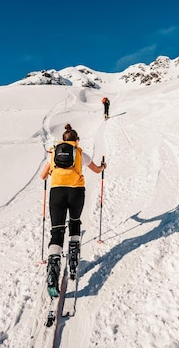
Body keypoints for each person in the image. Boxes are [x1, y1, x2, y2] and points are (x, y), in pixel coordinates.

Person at [40, 124, 107, 296]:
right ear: (76, 140)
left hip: (56, 192)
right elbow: (96, 170)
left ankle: (53, 270)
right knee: (75, 223)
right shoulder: (80, 153)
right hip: (76, 192)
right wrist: (102, 167)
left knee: (57, 230)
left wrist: (52, 171)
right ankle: (73, 260)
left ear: (63, 139)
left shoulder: (54, 153)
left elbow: (42, 175)